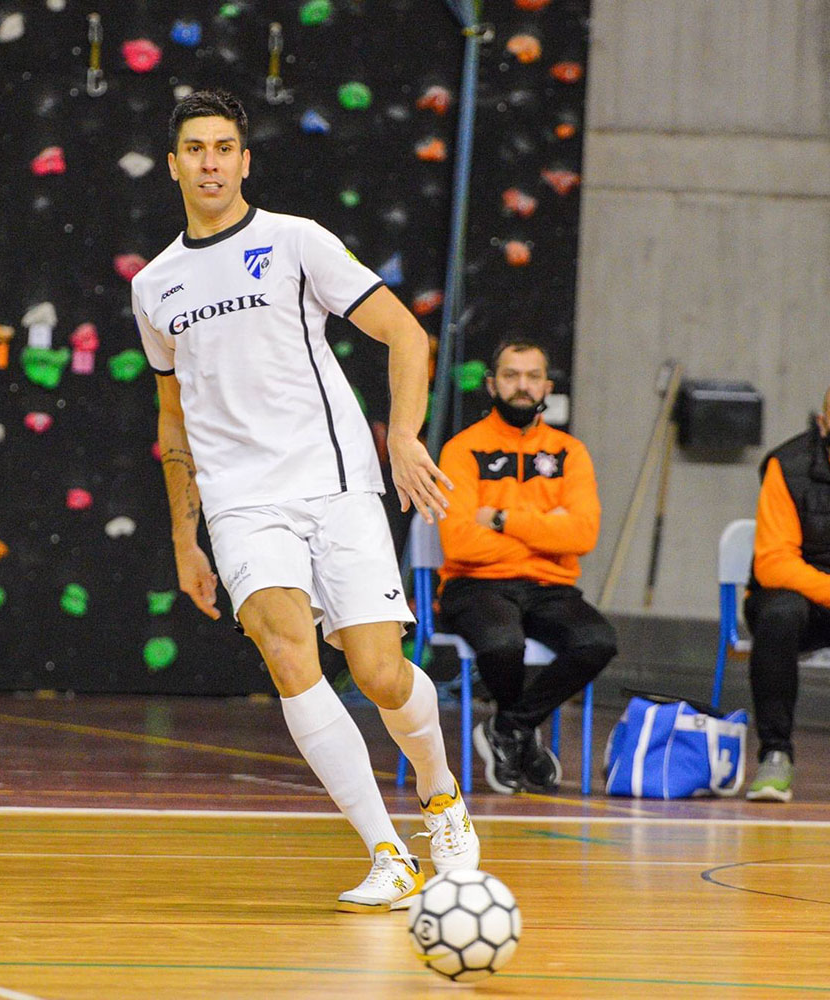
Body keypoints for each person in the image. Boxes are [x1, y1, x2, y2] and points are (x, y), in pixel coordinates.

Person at [131, 90, 478, 910]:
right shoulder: (154, 286)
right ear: (173, 165)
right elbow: (172, 417)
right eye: (195, 149)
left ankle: (440, 795)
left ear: (245, 161)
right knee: (289, 656)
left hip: (336, 481)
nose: (210, 162)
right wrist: (184, 539)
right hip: (241, 502)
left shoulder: (295, 241)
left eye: (224, 148)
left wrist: (403, 437)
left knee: (379, 673)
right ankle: (389, 854)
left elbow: (406, 333)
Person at [436, 340, 617, 794]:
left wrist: (502, 521)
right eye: (511, 375)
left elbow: (582, 535)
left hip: (547, 587)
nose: (523, 385)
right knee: (503, 644)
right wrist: (544, 538)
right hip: (474, 584)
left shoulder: (569, 452)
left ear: (547, 387)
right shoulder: (462, 449)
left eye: (533, 376)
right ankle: (522, 735)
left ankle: (509, 727)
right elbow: (458, 541)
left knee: (597, 641)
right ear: (492, 384)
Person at [744, 378, 830, 802]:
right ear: (822, 424)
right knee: (780, 613)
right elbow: (774, 564)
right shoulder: (787, 466)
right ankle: (775, 754)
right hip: (798, 600)